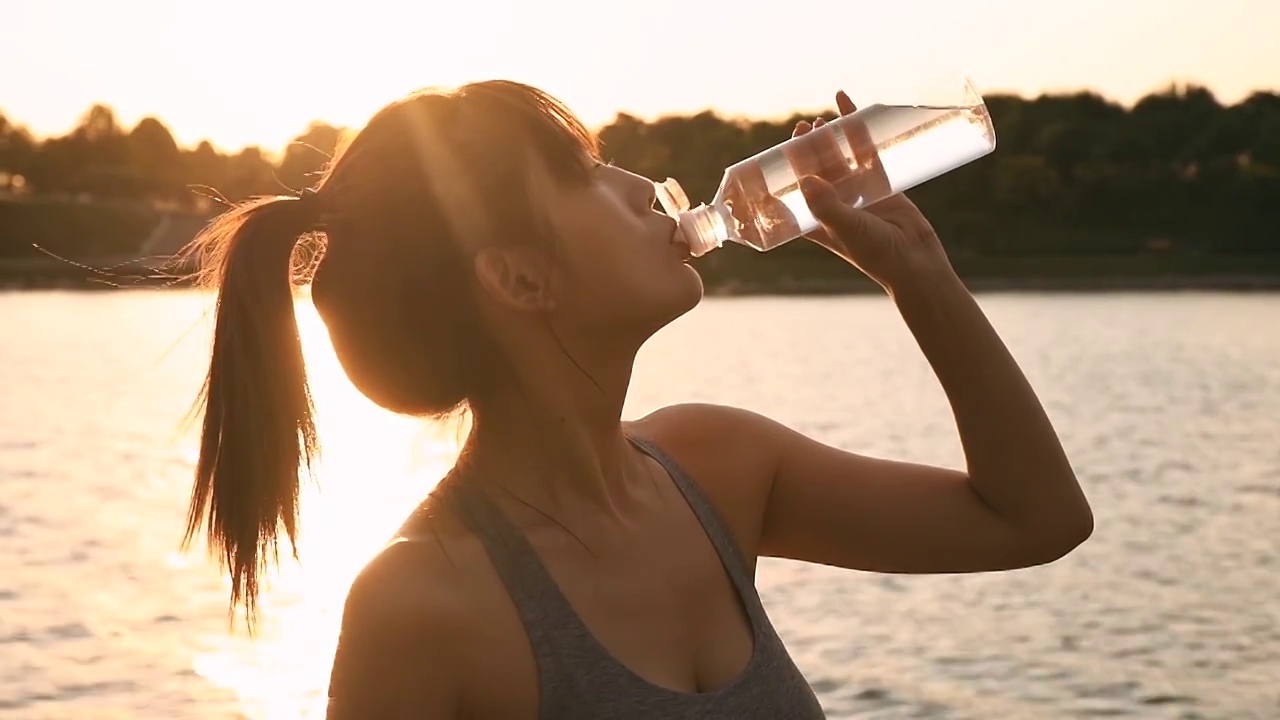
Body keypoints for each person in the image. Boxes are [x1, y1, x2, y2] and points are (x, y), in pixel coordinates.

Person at [181, 80, 1093, 719]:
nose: (637, 185)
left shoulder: (718, 466)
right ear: (519, 278)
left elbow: (1036, 520)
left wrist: (920, 275)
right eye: (581, 173)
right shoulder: (424, 605)